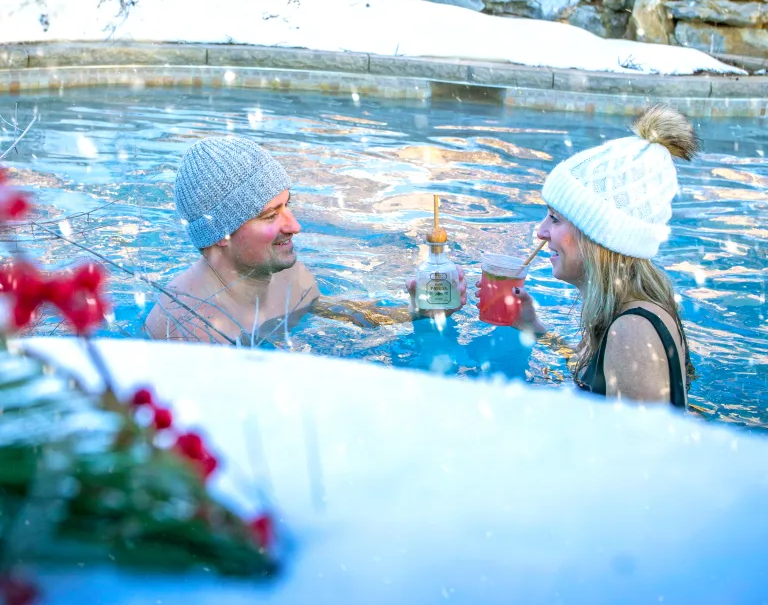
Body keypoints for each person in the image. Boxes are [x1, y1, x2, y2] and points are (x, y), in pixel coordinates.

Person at [144, 136, 466, 345]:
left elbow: (339, 313)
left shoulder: (290, 277)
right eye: (271, 215)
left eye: (288, 205)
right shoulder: (183, 327)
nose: (294, 225)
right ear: (220, 234)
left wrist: (418, 313)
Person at [482, 105, 697, 407]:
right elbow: (597, 374)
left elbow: (645, 451)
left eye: (554, 219)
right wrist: (534, 329)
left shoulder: (630, 331)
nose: (541, 232)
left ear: (598, 238)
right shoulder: (627, 312)